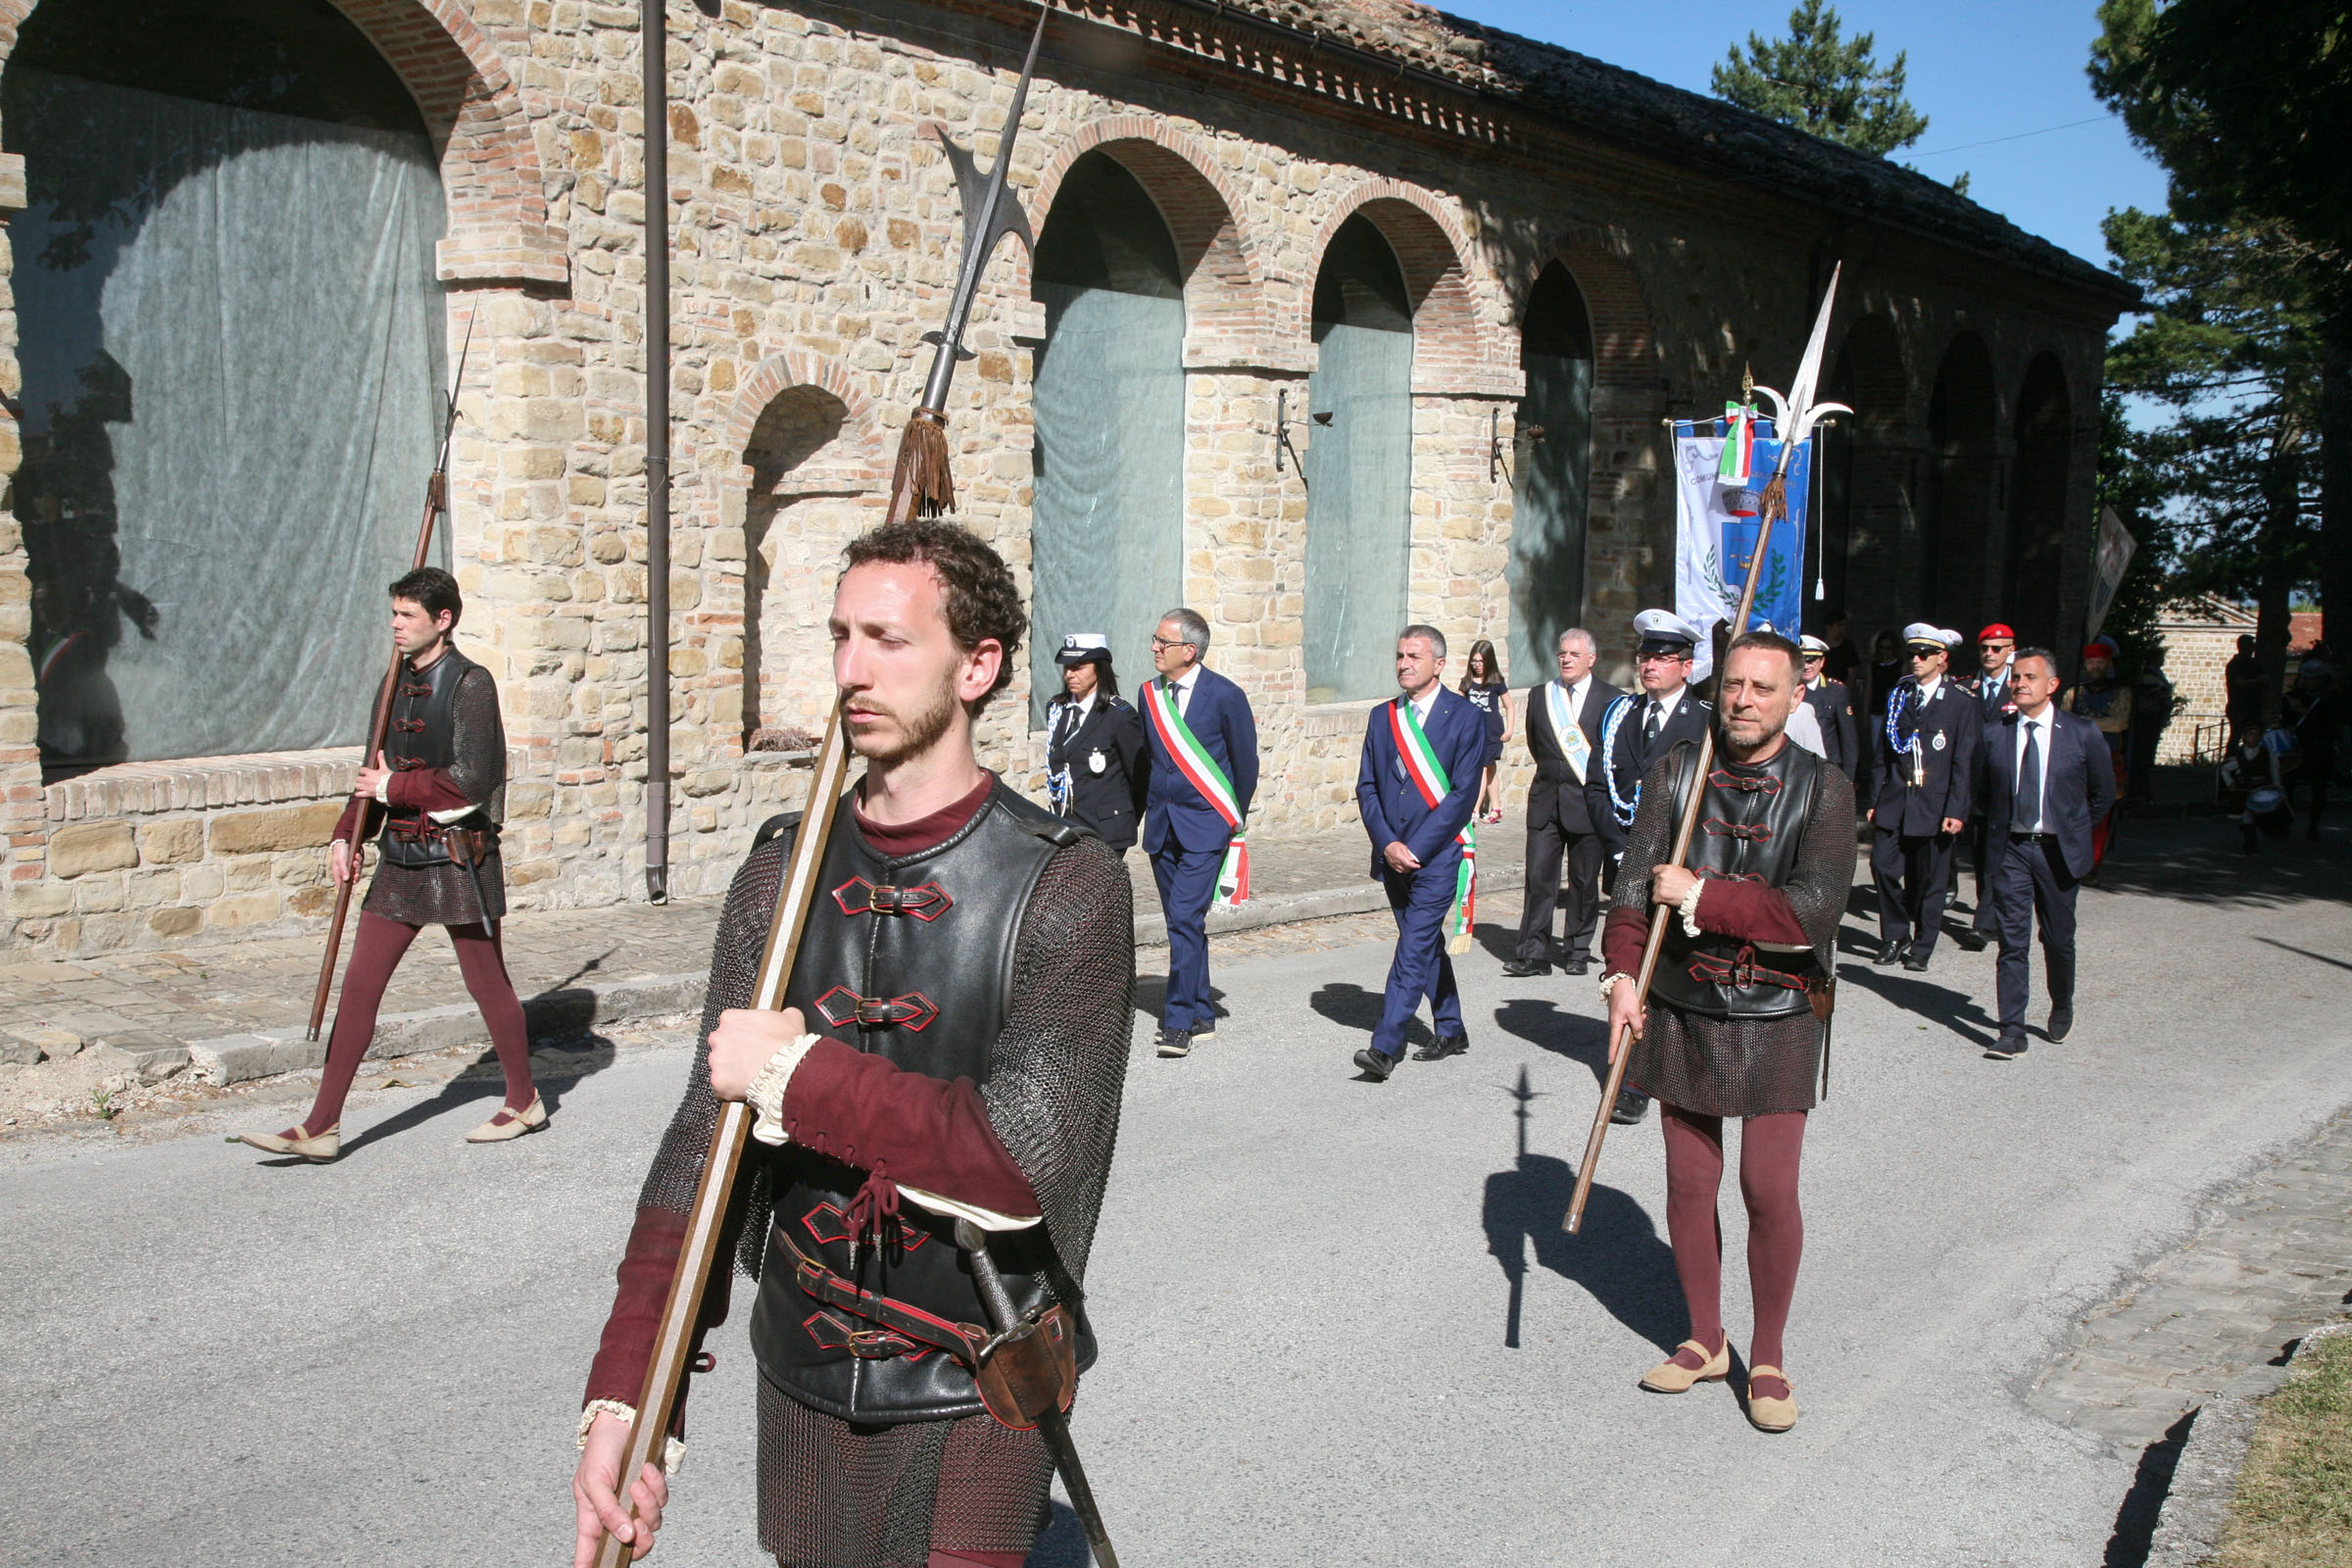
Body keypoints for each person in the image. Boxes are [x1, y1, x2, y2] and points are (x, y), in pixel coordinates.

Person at [573, 519, 1134, 1568]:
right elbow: (704, 1143)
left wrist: (797, 1076)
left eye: (888, 639)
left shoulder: (1066, 882)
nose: (850, 670)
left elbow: (1023, 1161)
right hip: (804, 1368)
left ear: (978, 667)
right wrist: (631, 1393)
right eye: (841, 635)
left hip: (984, 1377)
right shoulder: (780, 876)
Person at [1601, 630, 1854, 1435]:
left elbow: (1812, 913)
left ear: (1795, 697)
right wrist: (1620, 977)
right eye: (1734, 685)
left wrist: (1703, 897)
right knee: (1687, 1183)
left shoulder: (1824, 789)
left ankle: (1768, 1357)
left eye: (1762, 688)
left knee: (1768, 1189)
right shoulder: (1676, 772)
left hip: (1780, 1010)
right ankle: (1705, 1339)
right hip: (1681, 1002)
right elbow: (1634, 884)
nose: (1743, 701)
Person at [240, 567, 533, 1162]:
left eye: (407, 615)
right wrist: (347, 834)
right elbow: (371, 769)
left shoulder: (472, 683)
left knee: (486, 982)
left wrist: (393, 786)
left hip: (459, 857)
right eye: (394, 614)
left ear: (443, 620)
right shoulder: (394, 680)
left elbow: (473, 779)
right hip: (400, 857)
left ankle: (524, 1099)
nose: (396, 626)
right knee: (360, 985)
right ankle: (321, 1125)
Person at [1586, 609, 1712, 1124]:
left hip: (1682, 868)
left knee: (1675, 968)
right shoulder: (1620, 714)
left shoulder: (1705, 721)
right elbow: (1598, 787)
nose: (1650, 665)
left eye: (1663, 657)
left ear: (1687, 666)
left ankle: (1688, 1062)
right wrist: (1620, 849)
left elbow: (1711, 800)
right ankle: (1633, 1080)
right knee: (1631, 967)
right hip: (1626, 862)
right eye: (1645, 656)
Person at [1351, 625, 1488, 1081]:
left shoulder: (1465, 717)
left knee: (1411, 949)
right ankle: (1451, 1028)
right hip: (1392, 854)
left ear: (1439, 664)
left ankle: (1385, 1046)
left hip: (1438, 856)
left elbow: (1463, 795)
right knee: (1424, 945)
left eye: (1414, 656)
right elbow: (1367, 786)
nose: (1404, 664)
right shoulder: (1382, 716)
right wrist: (1387, 843)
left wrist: (1416, 847)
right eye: (1400, 656)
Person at [1975, 648, 2114, 1060]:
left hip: (2058, 853)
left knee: (2057, 938)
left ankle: (2062, 1002)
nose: (2019, 684)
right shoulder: (1995, 733)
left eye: (2029, 677)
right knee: (2012, 942)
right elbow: (1983, 794)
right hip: (2012, 851)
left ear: (2052, 685)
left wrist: (2073, 829)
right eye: (2016, 677)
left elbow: (2103, 793)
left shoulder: (2082, 733)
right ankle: (2011, 1030)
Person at [1139, 606, 1258, 1059]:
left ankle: (1178, 1022)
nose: (1154, 647)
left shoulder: (1225, 696)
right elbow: (1151, 762)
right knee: (1182, 922)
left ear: (1189, 651)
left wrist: (1228, 818)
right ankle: (1203, 1011)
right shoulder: (1149, 695)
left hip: (1206, 828)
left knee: (1185, 919)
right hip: (1162, 827)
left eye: (1163, 642)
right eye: (1155, 639)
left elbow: (1245, 765)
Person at [1864, 623, 1979, 972]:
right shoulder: (1900, 695)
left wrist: (1957, 809)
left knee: (1930, 879)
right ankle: (1895, 935)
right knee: (1882, 866)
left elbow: (1963, 761)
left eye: (1923, 654)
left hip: (1934, 803)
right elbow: (1883, 754)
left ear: (1942, 658)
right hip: (1896, 799)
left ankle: (1923, 945)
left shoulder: (1959, 701)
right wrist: (1874, 799)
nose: (1915, 659)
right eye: (1912, 653)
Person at [1507, 628, 1621, 978]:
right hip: (1546, 803)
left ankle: (1577, 949)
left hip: (1588, 805)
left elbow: (1614, 754)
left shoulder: (1612, 699)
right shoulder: (1541, 695)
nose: (1567, 660)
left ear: (1591, 659)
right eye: (1562, 654)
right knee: (1538, 879)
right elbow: (1536, 744)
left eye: (1574, 654)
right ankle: (1533, 953)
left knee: (1584, 882)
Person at [1042, 632, 1149, 853]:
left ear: (1099, 669)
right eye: (1066, 667)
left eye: (1078, 667)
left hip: (1106, 831)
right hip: (1065, 829)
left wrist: (1124, 819)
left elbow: (1140, 777)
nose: (1069, 674)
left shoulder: (1119, 715)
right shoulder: (1056, 709)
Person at [1952, 623, 2017, 954]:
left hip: (2005, 785)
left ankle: (1984, 922)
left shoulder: (2019, 687)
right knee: (1978, 854)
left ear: (2010, 651)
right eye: (1984, 649)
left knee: (1996, 854)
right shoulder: (1965, 688)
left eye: (1997, 648)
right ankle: (1991, 910)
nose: (1989, 654)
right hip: (1972, 782)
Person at [2061, 637, 2132, 872]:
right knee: (2071, 811)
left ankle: (2092, 862)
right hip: (2076, 762)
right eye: (2091, 662)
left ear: (2108, 664)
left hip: (2108, 760)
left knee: (2100, 815)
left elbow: (2118, 723)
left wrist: (2081, 722)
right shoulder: (2074, 693)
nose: (2095, 666)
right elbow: (2062, 724)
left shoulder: (2121, 693)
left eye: (2100, 662)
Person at [2281, 659, 2341, 839]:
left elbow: (2329, 724)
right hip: (2297, 747)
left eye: (2313, 679)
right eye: (2307, 678)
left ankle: (2313, 826)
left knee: (2318, 788)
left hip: (2319, 749)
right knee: (2288, 785)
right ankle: (2286, 823)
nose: (2309, 682)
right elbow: (2287, 719)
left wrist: (2303, 711)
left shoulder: (2329, 698)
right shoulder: (2295, 695)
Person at [1459, 638, 1512, 825]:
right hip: (1474, 733)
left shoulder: (1496, 682)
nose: (1477, 665)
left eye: (1481, 661)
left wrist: (1509, 730)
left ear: (1489, 660)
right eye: (1474, 661)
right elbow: (1458, 706)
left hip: (1492, 734)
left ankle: (1474, 809)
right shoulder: (1466, 683)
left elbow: (1509, 706)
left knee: (1482, 768)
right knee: (1489, 770)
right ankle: (1496, 808)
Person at [1796, 634, 1859, 779]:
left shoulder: (1835, 691)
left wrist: (1848, 780)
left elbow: (1849, 741)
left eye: (1811, 661)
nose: (1806, 666)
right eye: (1802, 661)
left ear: (1822, 662)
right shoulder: (1788, 690)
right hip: (1798, 769)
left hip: (1827, 768)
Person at [2224, 634, 2262, 755]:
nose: (2252, 650)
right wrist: (2259, 680)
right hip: (2238, 707)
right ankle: (2230, 759)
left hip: (2253, 706)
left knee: (2252, 735)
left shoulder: (2254, 664)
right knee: (2236, 735)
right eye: (2250, 647)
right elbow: (2242, 684)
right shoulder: (2234, 665)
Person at [1819, 610, 1861, 691]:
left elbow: (1852, 675)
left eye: (1844, 625)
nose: (1842, 628)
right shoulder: (1819, 645)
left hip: (1840, 690)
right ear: (1829, 626)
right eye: (1839, 625)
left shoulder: (1848, 646)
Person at [1866, 630, 1903, 716]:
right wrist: (1866, 714)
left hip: (1895, 712)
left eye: (1888, 648)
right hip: (1876, 711)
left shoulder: (1901, 666)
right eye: (1881, 648)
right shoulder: (1873, 667)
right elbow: (1868, 691)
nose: (1884, 651)